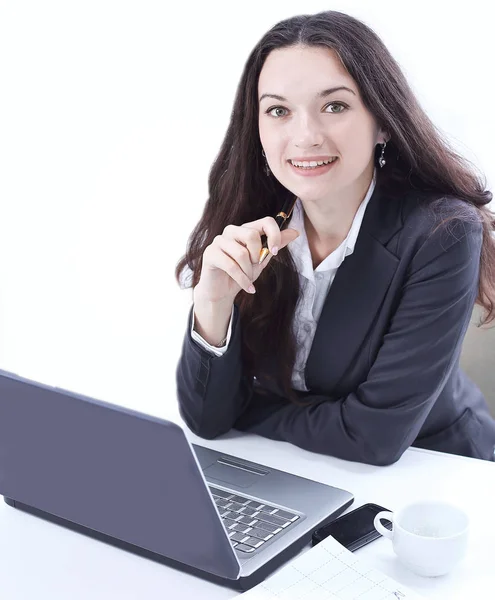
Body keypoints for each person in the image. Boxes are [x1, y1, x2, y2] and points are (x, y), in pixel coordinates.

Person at [174, 10, 495, 465]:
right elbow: (207, 420)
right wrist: (213, 306)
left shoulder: (443, 232)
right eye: (279, 110)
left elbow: (374, 437)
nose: (305, 136)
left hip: (432, 477)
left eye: (335, 106)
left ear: (382, 121)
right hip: (306, 470)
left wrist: (251, 412)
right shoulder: (252, 224)